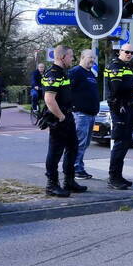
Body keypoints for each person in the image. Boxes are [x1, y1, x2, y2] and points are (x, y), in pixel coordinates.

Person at [42, 45, 87, 197]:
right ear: (62, 57)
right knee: (55, 153)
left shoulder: (63, 73)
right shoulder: (53, 74)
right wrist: (61, 116)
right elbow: (49, 99)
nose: (72, 59)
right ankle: (51, 185)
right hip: (59, 118)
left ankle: (69, 181)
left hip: (67, 117)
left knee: (73, 148)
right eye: (71, 56)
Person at [105, 43, 133, 190]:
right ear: (120, 52)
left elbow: (125, 89)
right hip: (119, 108)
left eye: (132, 53)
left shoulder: (125, 66)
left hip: (126, 106)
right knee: (119, 143)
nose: (130, 55)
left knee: (124, 143)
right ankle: (113, 178)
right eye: (127, 52)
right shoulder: (116, 65)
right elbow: (117, 88)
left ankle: (118, 175)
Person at [69, 48, 100, 180]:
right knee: (79, 143)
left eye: (94, 58)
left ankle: (79, 167)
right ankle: (75, 169)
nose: (92, 60)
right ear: (82, 57)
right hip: (81, 114)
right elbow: (67, 90)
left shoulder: (91, 74)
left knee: (85, 144)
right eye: (90, 57)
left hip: (90, 114)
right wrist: (73, 107)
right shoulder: (76, 72)